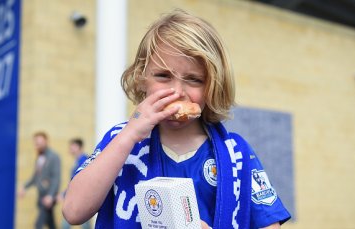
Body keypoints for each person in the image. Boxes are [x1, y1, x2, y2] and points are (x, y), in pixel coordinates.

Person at [63, 9, 291, 229]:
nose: (177, 91)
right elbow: (74, 211)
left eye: (194, 79)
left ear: (213, 86)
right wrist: (129, 136)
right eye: (163, 76)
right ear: (142, 78)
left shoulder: (237, 154)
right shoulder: (119, 140)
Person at [19, 132, 61, 229]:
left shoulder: (54, 157)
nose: (37, 145)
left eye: (40, 142)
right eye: (36, 143)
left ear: (46, 141)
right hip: (41, 196)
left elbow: (56, 178)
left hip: (48, 197)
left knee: (38, 224)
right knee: (51, 224)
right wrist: (24, 187)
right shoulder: (39, 157)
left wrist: (50, 195)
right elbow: (35, 177)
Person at [58, 138, 91, 229]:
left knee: (82, 224)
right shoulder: (78, 161)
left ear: (78, 147)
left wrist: (64, 194)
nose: (70, 148)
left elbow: (77, 181)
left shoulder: (83, 160)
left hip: (81, 197)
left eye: (72, 146)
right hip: (78, 197)